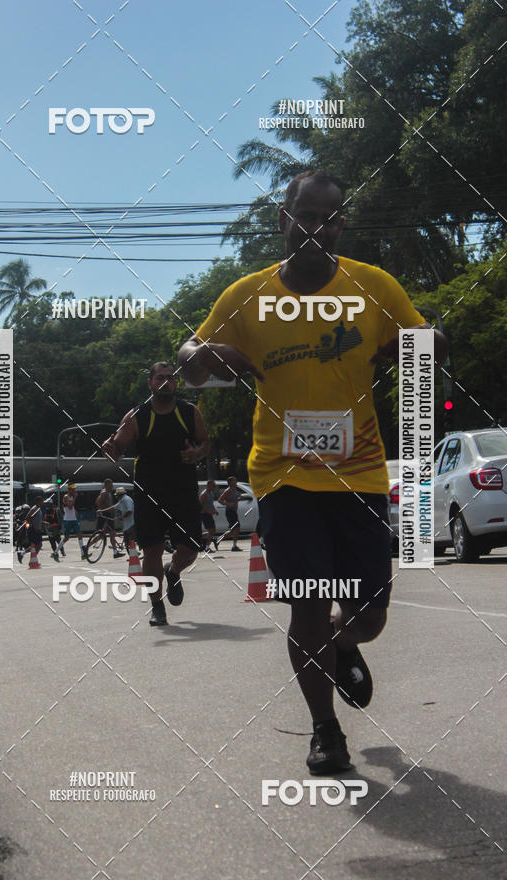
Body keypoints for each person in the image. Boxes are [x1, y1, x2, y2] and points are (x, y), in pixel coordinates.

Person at [179, 170, 449, 774]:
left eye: (330, 217)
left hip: (359, 475)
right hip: (284, 477)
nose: (317, 227)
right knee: (307, 605)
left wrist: (426, 342)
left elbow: (422, 342)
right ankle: (325, 731)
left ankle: (344, 643)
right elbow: (188, 358)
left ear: (341, 224)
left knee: (371, 614)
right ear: (283, 220)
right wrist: (204, 356)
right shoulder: (245, 295)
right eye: (306, 214)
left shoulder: (373, 286)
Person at [102, 361, 210, 626]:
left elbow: (205, 442)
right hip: (149, 493)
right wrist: (109, 448)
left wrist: (196, 454)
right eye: (160, 377)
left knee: (191, 548)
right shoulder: (137, 416)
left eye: (170, 378)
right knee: (151, 549)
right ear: (150, 383)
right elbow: (117, 449)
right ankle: (157, 606)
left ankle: (173, 572)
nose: (166, 382)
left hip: (183, 491)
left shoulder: (189, 412)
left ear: (176, 383)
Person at [94, 478, 123, 558]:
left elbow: (98, 501)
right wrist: (105, 508)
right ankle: (86, 547)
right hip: (105, 515)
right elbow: (98, 503)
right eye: (111, 484)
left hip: (107, 514)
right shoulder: (105, 493)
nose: (112, 486)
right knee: (101, 535)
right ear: (107, 485)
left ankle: (115, 552)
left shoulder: (106, 492)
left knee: (112, 534)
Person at [214, 475, 243, 551]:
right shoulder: (228, 490)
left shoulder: (235, 490)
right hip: (230, 512)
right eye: (234, 481)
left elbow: (239, 495)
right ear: (230, 483)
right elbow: (220, 500)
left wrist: (240, 497)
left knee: (234, 530)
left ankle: (218, 539)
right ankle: (234, 546)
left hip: (233, 512)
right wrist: (228, 504)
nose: (236, 482)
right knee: (236, 528)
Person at [57, 484, 85, 560]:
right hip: (68, 520)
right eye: (73, 489)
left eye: (74, 489)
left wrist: (75, 512)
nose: (74, 491)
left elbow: (72, 508)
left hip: (74, 519)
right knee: (66, 538)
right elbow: (69, 506)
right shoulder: (66, 497)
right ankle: (55, 552)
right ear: (69, 489)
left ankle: (83, 554)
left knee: (80, 535)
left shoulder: (71, 497)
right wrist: (75, 498)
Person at [17, 496, 44, 564]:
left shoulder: (38, 509)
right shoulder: (34, 508)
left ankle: (28, 557)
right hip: (33, 529)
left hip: (37, 529)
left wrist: (44, 523)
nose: (43, 502)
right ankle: (27, 557)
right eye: (41, 501)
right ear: (38, 501)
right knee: (37, 545)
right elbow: (27, 517)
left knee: (37, 545)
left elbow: (36, 519)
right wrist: (34, 526)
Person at [199, 480, 218, 552]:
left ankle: (199, 536)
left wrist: (214, 510)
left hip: (208, 515)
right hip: (204, 514)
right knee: (211, 531)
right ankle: (207, 548)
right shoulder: (204, 494)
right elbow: (200, 506)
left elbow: (211, 504)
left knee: (213, 531)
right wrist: (208, 511)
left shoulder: (211, 493)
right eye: (213, 486)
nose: (214, 487)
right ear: (209, 485)